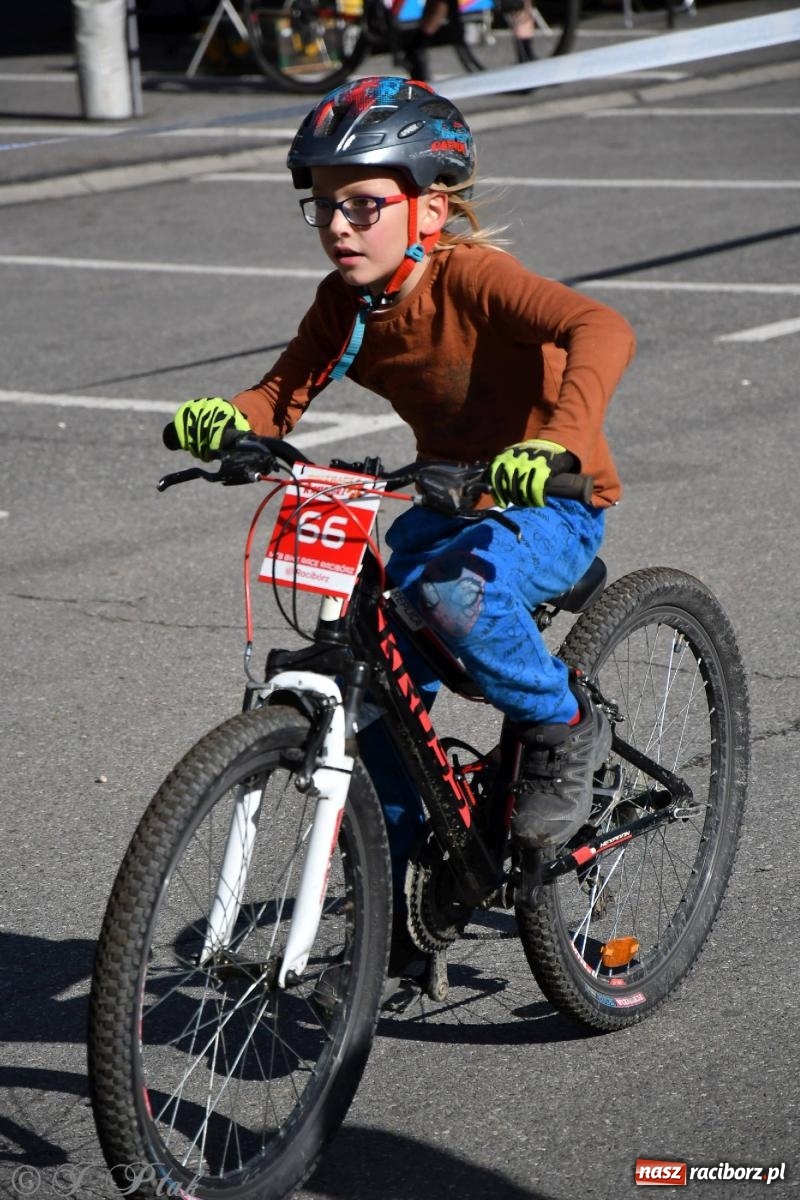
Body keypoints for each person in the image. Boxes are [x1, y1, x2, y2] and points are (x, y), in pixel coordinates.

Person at [171, 76, 635, 977]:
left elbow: (601, 326)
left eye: (363, 205)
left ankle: (564, 725)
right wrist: (230, 421)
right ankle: (403, 906)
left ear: (428, 208)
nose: (338, 226)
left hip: (546, 505)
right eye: (323, 206)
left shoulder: (472, 278)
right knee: (371, 692)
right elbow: (278, 395)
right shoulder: (344, 304)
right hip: (442, 506)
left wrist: (559, 444)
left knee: (454, 596)